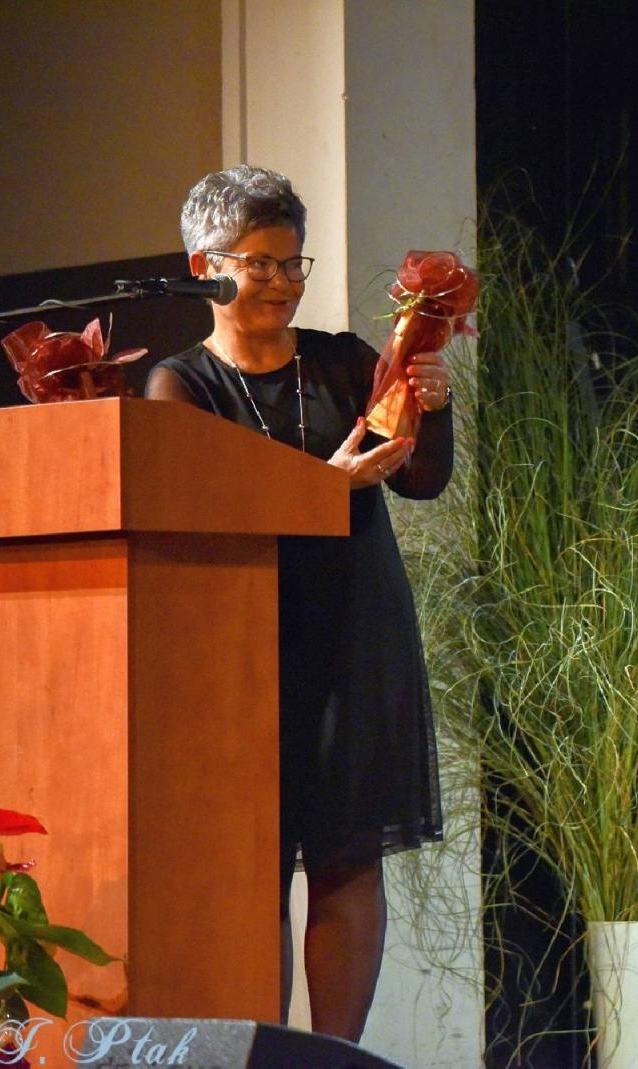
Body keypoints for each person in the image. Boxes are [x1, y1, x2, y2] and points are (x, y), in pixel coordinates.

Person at [146, 165, 451, 1041]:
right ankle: (262, 1057)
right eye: (261, 265)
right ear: (205, 264)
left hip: (355, 636)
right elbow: (198, 515)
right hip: (245, 652)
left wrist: (439, 403)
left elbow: (423, 478)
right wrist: (323, 486)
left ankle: (334, 1060)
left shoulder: (347, 359)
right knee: (256, 867)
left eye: (293, 265)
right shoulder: (181, 387)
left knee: (349, 862)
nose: (281, 284)